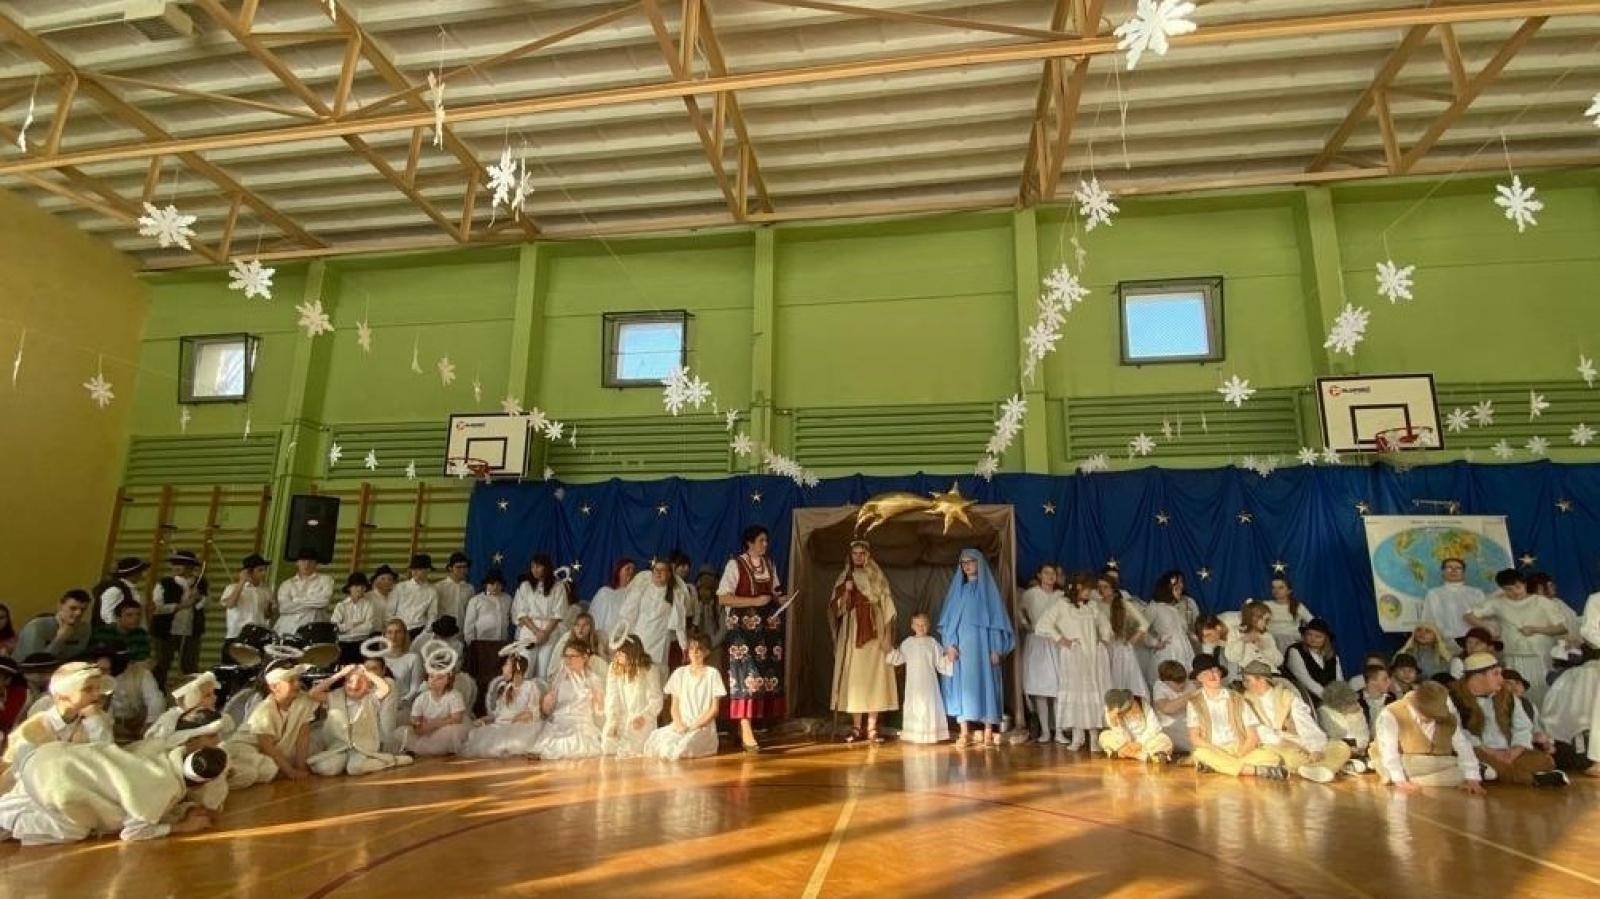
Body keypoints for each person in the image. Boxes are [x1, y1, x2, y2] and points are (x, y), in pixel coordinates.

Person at [0, 736, 228, 846]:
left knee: (60, 797)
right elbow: (132, 832)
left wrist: (185, 808)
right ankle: (6, 819)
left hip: (47, 756)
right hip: (56, 783)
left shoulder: (162, 750)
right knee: (74, 830)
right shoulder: (164, 788)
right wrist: (181, 827)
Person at [716, 526, 786, 753]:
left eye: (766, 540)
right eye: (761, 540)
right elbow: (723, 598)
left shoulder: (770, 565)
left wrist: (785, 598)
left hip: (765, 632)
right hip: (742, 633)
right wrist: (755, 602)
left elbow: (775, 591)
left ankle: (748, 725)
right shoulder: (735, 565)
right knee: (745, 676)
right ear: (749, 543)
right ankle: (745, 727)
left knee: (763, 677)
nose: (765, 544)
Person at [1448, 653, 1564, 786]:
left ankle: (1491, 772)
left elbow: (1523, 727)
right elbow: (1458, 732)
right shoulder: (1454, 698)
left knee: (1545, 761)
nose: (1501, 679)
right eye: (1495, 674)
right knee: (1475, 758)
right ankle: (1532, 779)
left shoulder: (1508, 697)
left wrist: (1515, 751)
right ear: (1478, 676)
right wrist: (1491, 752)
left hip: (1508, 752)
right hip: (1478, 750)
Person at [938, 548, 1015, 750]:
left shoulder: (989, 594)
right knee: (962, 688)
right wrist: (950, 645)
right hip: (961, 651)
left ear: (979, 563)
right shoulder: (958, 592)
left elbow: (997, 623)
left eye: (971, 561)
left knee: (987, 685)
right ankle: (965, 732)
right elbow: (948, 622)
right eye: (963, 563)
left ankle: (989, 730)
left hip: (984, 650)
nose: (967, 565)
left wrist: (997, 649)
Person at [0, 662, 113, 791]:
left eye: (98, 689)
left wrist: (95, 721)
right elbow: (29, 777)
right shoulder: (32, 730)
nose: (96, 695)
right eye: (88, 689)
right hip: (32, 792)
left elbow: (108, 760)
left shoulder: (96, 719)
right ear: (62, 695)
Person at [829, 540, 899, 744]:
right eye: (855, 553)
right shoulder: (845, 575)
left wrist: (886, 636)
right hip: (853, 631)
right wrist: (846, 591)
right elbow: (836, 607)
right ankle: (856, 727)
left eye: (862, 553)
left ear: (868, 555)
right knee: (855, 678)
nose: (858, 557)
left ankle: (872, 728)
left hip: (874, 628)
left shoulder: (877, 576)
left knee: (874, 677)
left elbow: (887, 605)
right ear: (850, 555)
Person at [1240, 660, 1353, 782]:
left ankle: (1318, 769)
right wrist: (1285, 742)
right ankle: (1330, 767)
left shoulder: (1287, 697)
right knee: (1289, 758)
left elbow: (1305, 724)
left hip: (1301, 740)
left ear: (1262, 680)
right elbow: (1260, 733)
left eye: (1248, 680)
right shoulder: (1246, 701)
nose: (1244, 684)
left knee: (1341, 746)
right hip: (1277, 745)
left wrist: (1315, 749)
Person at [1466, 570, 1565, 704]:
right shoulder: (1498, 603)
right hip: (1514, 656)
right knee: (1517, 692)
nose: (1515, 592)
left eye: (1518, 587)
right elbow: (1469, 615)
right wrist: (1487, 627)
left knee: (1546, 692)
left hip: (1540, 656)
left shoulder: (1542, 602)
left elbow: (1561, 628)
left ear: (1524, 584)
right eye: (1508, 589)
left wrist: (1536, 629)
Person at [1038, 571, 1111, 750]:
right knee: (1077, 693)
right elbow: (1043, 624)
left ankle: (1094, 737)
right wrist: (1062, 640)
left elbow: (1105, 624)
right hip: (1074, 655)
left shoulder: (1092, 606)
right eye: (1087, 588)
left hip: (1092, 655)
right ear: (1078, 587)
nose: (1089, 592)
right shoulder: (1063, 605)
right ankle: (1077, 737)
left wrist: (1103, 638)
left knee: (1093, 691)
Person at [1185, 655, 1287, 779]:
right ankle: (1255, 770)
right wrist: (1218, 752)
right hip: (1213, 750)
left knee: (1272, 757)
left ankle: (1221, 767)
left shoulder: (1238, 698)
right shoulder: (1194, 702)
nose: (1212, 675)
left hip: (1239, 748)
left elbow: (1252, 737)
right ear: (1199, 678)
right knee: (1201, 753)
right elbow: (1194, 738)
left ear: (1221, 673)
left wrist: (1239, 755)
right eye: (1206, 673)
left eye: (1215, 671)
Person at [1373, 681, 1484, 793]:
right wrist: (1399, 780)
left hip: (1433, 764)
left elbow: (1462, 744)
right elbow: (1388, 751)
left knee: (1460, 775)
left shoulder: (1448, 718)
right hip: (1403, 761)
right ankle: (1394, 776)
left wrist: (1472, 777)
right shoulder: (1391, 713)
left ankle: (1414, 780)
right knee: (1410, 763)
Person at [307, 664, 412, 777]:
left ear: (368, 685)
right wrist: (339, 674)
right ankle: (344, 763)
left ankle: (390, 761)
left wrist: (366, 672)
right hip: (339, 747)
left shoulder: (370, 698)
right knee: (325, 768)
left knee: (355, 768)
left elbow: (385, 688)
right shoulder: (334, 697)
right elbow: (313, 693)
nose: (354, 685)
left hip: (363, 748)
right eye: (350, 681)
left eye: (360, 682)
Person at [231, 662, 320, 783]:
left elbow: (302, 737)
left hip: (278, 747)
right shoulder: (264, 710)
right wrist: (290, 772)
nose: (298, 684)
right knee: (269, 769)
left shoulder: (303, 701)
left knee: (314, 754)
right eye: (291, 681)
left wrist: (300, 768)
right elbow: (267, 746)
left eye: (297, 679)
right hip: (248, 747)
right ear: (274, 687)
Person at [642, 634, 725, 760]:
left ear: (707, 652)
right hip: (682, 724)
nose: (695, 653)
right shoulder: (680, 673)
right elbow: (674, 706)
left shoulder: (712, 674)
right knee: (662, 745)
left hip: (702, 726)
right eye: (692, 649)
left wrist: (696, 725)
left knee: (682, 749)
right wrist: (679, 723)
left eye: (699, 650)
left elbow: (714, 709)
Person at [461, 652, 543, 758]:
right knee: (478, 735)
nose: (503, 668)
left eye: (506, 665)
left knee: (510, 739)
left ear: (516, 669)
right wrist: (483, 720)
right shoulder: (505, 688)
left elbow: (534, 711)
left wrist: (517, 720)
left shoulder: (530, 686)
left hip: (518, 726)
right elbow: (497, 714)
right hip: (501, 725)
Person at [888, 612, 953, 744]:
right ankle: (915, 734)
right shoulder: (908, 643)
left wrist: (949, 658)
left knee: (929, 706)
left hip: (929, 684)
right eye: (918, 624)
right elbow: (899, 658)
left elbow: (940, 663)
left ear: (928, 626)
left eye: (924, 624)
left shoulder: (932, 643)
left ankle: (931, 734)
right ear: (912, 626)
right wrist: (889, 650)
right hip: (913, 684)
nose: (921, 627)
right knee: (915, 705)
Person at [535, 640, 605, 760]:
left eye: (572, 657)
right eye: (565, 657)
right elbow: (548, 710)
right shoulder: (559, 677)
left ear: (584, 658)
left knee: (571, 744)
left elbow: (600, 709)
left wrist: (595, 698)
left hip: (580, 722)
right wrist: (547, 702)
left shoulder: (592, 679)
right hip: (559, 721)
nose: (568, 660)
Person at [149, 550, 208, 689]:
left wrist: (199, 598)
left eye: (181, 564)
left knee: (190, 667)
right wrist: (181, 606)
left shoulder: (201, 583)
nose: (176, 567)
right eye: (174, 563)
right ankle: (158, 694)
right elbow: (157, 608)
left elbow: (208, 605)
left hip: (190, 633)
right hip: (165, 632)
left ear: (191, 566)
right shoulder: (164, 583)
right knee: (161, 666)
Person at [84, 641, 164, 744]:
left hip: (138, 726)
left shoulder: (141, 674)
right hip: (108, 728)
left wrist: (148, 724)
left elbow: (156, 702)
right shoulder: (95, 679)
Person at [1019, 564, 1064, 742]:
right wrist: (1026, 624)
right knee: (1041, 689)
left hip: (1056, 643)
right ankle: (1046, 731)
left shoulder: (1061, 597)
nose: (1050, 576)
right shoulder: (1031, 594)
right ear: (1039, 575)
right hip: (1037, 643)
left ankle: (1059, 731)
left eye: (1053, 573)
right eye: (1046, 572)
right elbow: (1019, 611)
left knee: (1059, 689)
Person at [602, 636, 663, 759]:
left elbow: (656, 700)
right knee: (608, 744)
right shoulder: (614, 669)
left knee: (634, 748)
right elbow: (612, 697)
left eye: (621, 652)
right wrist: (613, 720)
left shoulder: (649, 669)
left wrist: (644, 717)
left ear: (631, 652)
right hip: (622, 718)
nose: (617, 656)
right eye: (616, 652)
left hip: (642, 719)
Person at [512, 555, 571, 679]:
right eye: (532, 566)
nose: (535, 570)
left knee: (544, 670)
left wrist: (545, 633)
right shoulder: (525, 586)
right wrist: (536, 631)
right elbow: (521, 612)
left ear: (546, 567)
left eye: (538, 566)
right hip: (529, 629)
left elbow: (559, 613)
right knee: (525, 668)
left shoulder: (558, 586)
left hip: (550, 631)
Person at [461, 569, 511, 710]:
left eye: (498, 584)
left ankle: (499, 705)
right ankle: (480, 706)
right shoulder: (476, 600)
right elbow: (469, 625)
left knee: (499, 676)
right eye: (491, 584)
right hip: (481, 646)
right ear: (486, 585)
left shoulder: (507, 598)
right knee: (482, 677)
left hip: (501, 644)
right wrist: (472, 645)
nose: (494, 587)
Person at [1097, 574, 1150, 701]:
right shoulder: (1096, 605)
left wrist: (1132, 641)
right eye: (1099, 587)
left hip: (1120, 650)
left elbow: (1144, 623)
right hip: (1103, 650)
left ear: (1113, 588)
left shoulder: (1123, 604)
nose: (1102, 590)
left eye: (1105, 587)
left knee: (1125, 682)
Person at [400, 669, 469, 757]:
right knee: (403, 733)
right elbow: (414, 720)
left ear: (448, 680)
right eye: (431, 677)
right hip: (426, 731)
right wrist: (419, 726)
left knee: (453, 731)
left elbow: (456, 719)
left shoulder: (454, 696)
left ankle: (448, 750)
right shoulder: (422, 698)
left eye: (439, 678)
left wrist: (434, 724)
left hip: (446, 726)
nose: (433, 680)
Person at [219, 554, 272, 664]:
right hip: (237, 634)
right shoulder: (232, 587)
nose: (264, 573)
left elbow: (267, 614)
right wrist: (241, 582)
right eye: (260, 570)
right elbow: (230, 604)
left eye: (265, 570)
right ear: (249, 572)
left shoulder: (266, 590)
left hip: (257, 636)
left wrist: (270, 607)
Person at [1143, 574, 1195, 684]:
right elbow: (1141, 629)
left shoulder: (1177, 609)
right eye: (1176, 589)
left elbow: (1184, 630)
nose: (1180, 591)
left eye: (1181, 588)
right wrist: (1155, 643)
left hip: (1184, 651)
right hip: (1168, 652)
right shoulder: (1155, 607)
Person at [16, 590, 93, 661]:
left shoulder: (85, 629)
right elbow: (34, 663)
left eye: (83, 610)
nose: (78, 613)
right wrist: (60, 639)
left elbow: (76, 659)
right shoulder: (36, 626)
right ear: (60, 606)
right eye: (73, 608)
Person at [1099, 689, 1172, 763]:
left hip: (1146, 742)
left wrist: (1139, 743)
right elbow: (1123, 738)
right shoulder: (1111, 714)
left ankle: (1127, 754)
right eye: (1127, 710)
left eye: (1131, 706)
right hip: (1127, 744)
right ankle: (1144, 756)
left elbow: (1154, 726)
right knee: (1104, 736)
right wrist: (1115, 723)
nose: (1131, 710)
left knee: (1165, 739)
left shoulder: (1142, 702)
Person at [1423, 558, 1484, 641]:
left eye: (1458, 568)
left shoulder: (1476, 593)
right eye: (1449, 568)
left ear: (1463, 572)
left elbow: (1484, 619)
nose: (1453, 571)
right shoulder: (1433, 594)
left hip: (1473, 640)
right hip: (1444, 641)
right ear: (1443, 572)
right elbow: (1427, 619)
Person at [1284, 619, 1342, 705]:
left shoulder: (1333, 657)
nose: (1313, 639)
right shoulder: (1295, 651)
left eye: (1318, 636)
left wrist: (1340, 697)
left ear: (1325, 639)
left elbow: (1339, 681)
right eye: (1309, 634)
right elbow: (1305, 680)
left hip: (1332, 700)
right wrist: (1329, 698)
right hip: (1307, 700)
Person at [275, 549, 333, 636]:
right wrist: (312, 603)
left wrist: (296, 601)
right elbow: (284, 608)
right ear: (297, 563)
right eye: (303, 561)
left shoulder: (325, 580)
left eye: (311, 561)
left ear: (316, 563)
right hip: (287, 628)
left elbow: (323, 602)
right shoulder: (287, 584)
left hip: (315, 629)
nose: (307, 564)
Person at [331, 573, 385, 665]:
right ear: (349, 588)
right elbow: (334, 628)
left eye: (362, 586)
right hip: (342, 645)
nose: (359, 589)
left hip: (362, 644)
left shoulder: (369, 605)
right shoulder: (341, 606)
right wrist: (355, 623)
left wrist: (345, 629)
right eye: (356, 586)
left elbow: (368, 628)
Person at [1317, 682, 1371, 770]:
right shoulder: (1324, 712)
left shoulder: (1358, 710)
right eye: (1351, 703)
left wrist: (1361, 747)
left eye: (1355, 702)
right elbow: (1331, 737)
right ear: (1341, 705)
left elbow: (1364, 732)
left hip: (1360, 751)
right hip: (1337, 750)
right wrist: (1349, 749)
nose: (1357, 705)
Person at [94, 557, 149, 641]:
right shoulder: (115, 590)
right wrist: (119, 635)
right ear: (133, 573)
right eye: (140, 572)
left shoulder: (130, 589)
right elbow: (107, 615)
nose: (141, 575)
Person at [1225, 601, 1283, 675]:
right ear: (1253, 618)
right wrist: (1242, 641)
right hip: (1249, 676)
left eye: (1268, 620)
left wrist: (1265, 649)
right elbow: (1233, 658)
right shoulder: (1235, 633)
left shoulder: (1267, 635)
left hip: (1271, 674)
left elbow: (1279, 661)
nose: (1267, 623)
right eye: (1265, 620)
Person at [1150, 660, 1194, 754]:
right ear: (1166, 681)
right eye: (1178, 683)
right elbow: (1166, 708)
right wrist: (1189, 696)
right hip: (1169, 726)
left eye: (1183, 681)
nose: (1182, 685)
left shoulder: (1188, 683)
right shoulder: (1159, 687)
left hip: (1188, 722)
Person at [1150, 571, 1202, 649]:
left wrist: (1197, 638)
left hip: (1185, 648)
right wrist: (1154, 642)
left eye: (1181, 582)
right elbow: (1144, 628)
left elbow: (1187, 629)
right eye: (1176, 585)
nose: (1180, 586)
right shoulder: (1155, 606)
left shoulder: (1187, 602)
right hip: (1166, 650)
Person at [1264, 576, 1315, 654]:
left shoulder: (1298, 606)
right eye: (1273, 587)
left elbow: (1313, 622)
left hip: (1292, 639)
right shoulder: (1266, 605)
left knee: (1283, 637)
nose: (1276, 591)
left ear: (1289, 590)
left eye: (1280, 588)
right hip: (1271, 640)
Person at [588, 559, 636, 642]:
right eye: (628, 569)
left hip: (622, 640)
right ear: (618, 571)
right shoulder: (605, 592)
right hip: (602, 639)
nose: (631, 572)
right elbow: (595, 618)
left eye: (633, 570)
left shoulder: (634, 596)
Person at [377, 620, 421, 702]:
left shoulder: (413, 658)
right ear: (384, 636)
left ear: (404, 635)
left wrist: (402, 701)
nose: (393, 636)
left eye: (398, 632)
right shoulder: (378, 658)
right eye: (389, 632)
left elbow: (415, 688)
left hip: (404, 704)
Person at [1357, 664, 1396, 735]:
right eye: (1385, 679)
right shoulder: (1356, 700)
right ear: (1372, 681)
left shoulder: (1392, 699)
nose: (1389, 682)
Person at [436, 552, 474, 622]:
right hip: (444, 630)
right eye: (459, 567)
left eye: (465, 567)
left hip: (463, 630)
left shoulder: (469, 588)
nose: (463, 570)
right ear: (450, 568)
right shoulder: (439, 587)